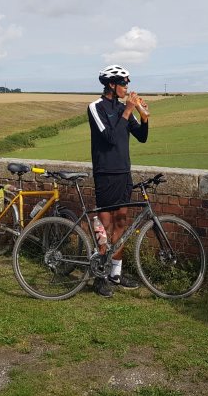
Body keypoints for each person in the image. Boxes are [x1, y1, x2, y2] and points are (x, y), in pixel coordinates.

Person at [88, 64, 150, 297]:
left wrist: (144, 117)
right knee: (105, 225)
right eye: (124, 83)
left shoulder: (124, 108)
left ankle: (115, 272)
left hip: (124, 173)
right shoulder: (96, 107)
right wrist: (127, 111)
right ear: (111, 85)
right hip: (105, 173)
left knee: (122, 223)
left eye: (127, 83)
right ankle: (100, 276)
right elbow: (110, 137)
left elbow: (142, 138)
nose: (127, 87)